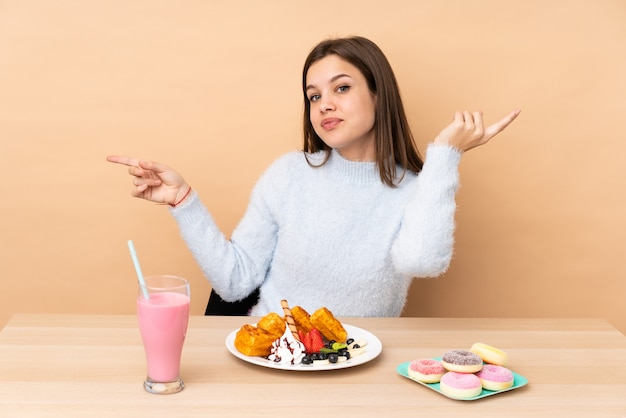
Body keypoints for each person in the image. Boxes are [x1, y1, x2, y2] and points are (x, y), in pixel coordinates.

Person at [108, 36, 520, 317]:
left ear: (379, 94)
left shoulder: (418, 190)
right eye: (314, 95)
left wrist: (445, 157)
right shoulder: (289, 174)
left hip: (361, 368)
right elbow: (235, 283)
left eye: (341, 88)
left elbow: (422, 261)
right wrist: (183, 200)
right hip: (272, 357)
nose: (324, 105)